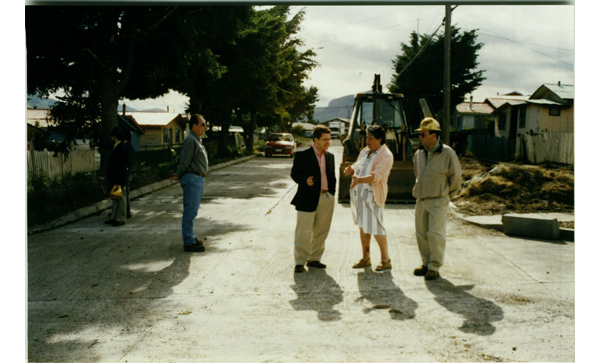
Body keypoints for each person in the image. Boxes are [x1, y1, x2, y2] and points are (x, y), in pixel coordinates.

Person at [412, 117, 462, 280]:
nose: (420, 138)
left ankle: (434, 266)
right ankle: (425, 263)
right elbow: (417, 173)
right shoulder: (419, 154)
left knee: (435, 233)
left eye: (423, 134)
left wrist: (446, 194)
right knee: (421, 233)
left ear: (434, 135)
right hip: (421, 200)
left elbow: (456, 177)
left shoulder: (447, 153)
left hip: (438, 200)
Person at [343, 125, 394, 271]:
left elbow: (378, 176)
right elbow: (358, 164)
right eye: (367, 137)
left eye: (371, 138)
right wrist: (351, 169)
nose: (368, 141)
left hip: (372, 196)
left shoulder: (386, 155)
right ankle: (366, 257)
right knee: (363, 226)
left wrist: (359, 179)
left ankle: (385, 259)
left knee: (376, 227)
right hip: (360, 195)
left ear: (379, 139)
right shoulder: (365, 151)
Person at [290, 125, 336, 273]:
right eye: (325, 140)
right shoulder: (302, 155)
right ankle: (299, 262)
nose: (328, 142)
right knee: (303, 231)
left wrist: (331, 194)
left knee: (321, 231)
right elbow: (294, 174)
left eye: (329, 139)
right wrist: (305, 181)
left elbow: (332, 177)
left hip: (326, 198)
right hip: (306, 197)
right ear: (315, 139)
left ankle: (314, 259)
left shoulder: (330, 156)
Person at [170, 114, 209, 252]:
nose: (205, 127)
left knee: (193, 211)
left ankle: (190, 237)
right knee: (190, 211)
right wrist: (179, 174)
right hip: (192, 178)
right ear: (194, 126)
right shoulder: (191, 140)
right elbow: (185, 160)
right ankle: (188, 241)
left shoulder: (196, 140)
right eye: (203, 124)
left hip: (197, 178)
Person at [105, 127, 129, 227]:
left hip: (119, 177)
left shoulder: (120, 148)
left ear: (115, 137)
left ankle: (121, 218)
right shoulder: (118, 147)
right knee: (115, 197)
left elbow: (121, 166)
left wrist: (119, 180)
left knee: (121, 198)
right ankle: (114, 217)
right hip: (116, 177)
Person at [123, 129, 135, 218]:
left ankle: (127, 211)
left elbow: (129, 162)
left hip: (127, 172)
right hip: (127, 172)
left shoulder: (128, 147)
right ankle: (125, 211)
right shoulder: (128, 146)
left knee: (126, 192)